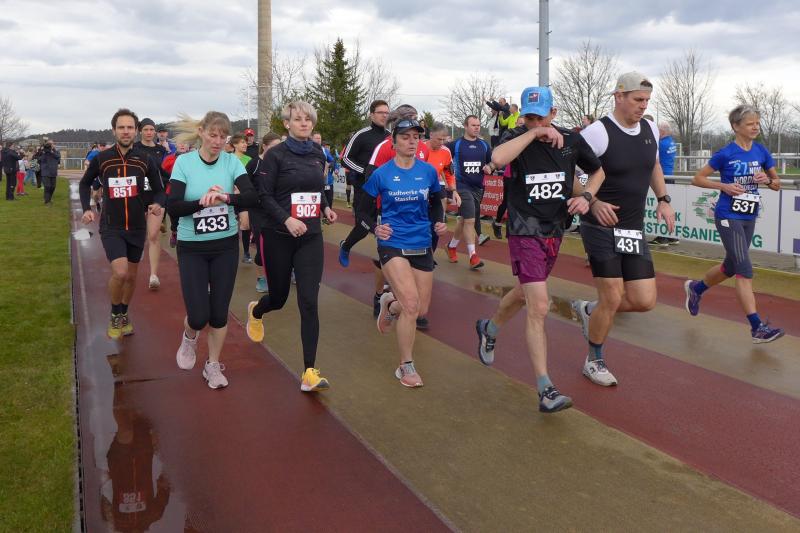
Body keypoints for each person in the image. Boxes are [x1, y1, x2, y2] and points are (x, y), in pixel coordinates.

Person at [476, 86, 605, 412]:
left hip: (554, 229)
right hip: (524, 229)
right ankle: (546, 389)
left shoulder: (571, 141)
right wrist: (534, 134)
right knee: (540, 305)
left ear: (553, 113)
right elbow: (497, 159)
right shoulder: (517, 137)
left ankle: (489, 328)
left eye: (540, 118)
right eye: (529, 117)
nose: (534, 122)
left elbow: (597, 171)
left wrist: (587, 197)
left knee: (524, 292)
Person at [571, 72, 675, 387]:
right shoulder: (597, 132)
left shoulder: (651, 129)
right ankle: (594, 360)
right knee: (613, 296)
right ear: (619, 97)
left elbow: (654, 165)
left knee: (644, 300)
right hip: (599, 226)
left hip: (632, 228)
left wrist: (663, 199)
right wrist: (593, 201)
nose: (643, 106)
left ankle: (590, 310)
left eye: (647, 101)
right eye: (637, 100)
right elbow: (570, 174)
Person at [245, 101, 338, 393]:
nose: (304, 123)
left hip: (310, 237)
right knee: (279, 298)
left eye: (308, 119)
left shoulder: (318, 153)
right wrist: (286, 220)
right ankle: (257, 311)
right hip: (278, 236)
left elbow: (317, 188)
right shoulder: (275, 155)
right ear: (287, 124)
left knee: (309, 301)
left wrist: (325, 208)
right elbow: (264, 196)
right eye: (298, 119)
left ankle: (309, 372)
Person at [168, 111, 258, 389]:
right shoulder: (184, 163)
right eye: (213, 135)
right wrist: (203, 202)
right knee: (198, 316)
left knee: (219, 313)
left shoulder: (232, 162)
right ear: (201, 132)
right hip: (192, 247)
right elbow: (174, 207)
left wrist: (226, 198)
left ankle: (213, 365)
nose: (218, 141)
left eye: (223, 136)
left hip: (225, 246)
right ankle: (189, 336)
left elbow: (252, 196)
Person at [360, 118, 447, 387]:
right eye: (405, 137)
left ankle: (390, 304)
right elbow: (361, 210)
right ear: (394, 142)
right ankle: (405, 366)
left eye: (415, 137)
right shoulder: (381, 174)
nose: (412, 142)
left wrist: (438, 221)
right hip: (392, 242)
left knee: (420, 309)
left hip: (421, 241)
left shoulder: (428, 172)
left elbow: (435, 203)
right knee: (410, 303)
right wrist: (375, 227)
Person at [685, 104, 783, 344]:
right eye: (750, 124)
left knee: (730, 266)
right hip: (728, 215)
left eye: (757, 123)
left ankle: (696, 289)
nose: (755, 127)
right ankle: (757, 327)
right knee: (744, 269)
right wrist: (724, 186)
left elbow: (777, 184)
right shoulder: (726, 153)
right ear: (736, 126)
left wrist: (767, 180)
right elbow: (697, 178)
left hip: (748, 214)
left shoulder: (761, 151)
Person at [79, 108, 165, 339]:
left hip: (137, 227)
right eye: (121, 127)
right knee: (120, 272)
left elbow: (159, 189)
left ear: (136, 131)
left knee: (132, 277)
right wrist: (87, 208)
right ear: (114, 130)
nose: (126, 131)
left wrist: (157, 204)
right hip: (112, 226)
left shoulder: (145, 159)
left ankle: (124, 313)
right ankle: (115, 312)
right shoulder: (103, 158)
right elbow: (85, 183)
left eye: (129, 127)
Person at [445, 115, 494, 270]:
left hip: (478, 188)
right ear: (465, 126)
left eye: (478, 125)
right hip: (461, 186)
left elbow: (492, 162)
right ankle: (473, 256)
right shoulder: (456, 145)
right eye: (473, 125)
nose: (477, 128)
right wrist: (447, 181)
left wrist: (490, 167)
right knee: (470, 220)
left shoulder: (484, 145)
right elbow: (442, 158)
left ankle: (451, 246)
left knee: (464, 220)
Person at [133, 118, 168, 290]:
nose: (149, 132)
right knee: (137, 235)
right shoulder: (134, 148)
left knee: (153, 235)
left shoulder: (161, 150)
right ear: (140, 131)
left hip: (156, 196)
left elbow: (164, 171)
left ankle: (153, 275)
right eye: (146, 129)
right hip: (137, 196)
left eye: (151, 129)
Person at [245, 132, 283, 294]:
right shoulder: (254, 164)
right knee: (262, 248)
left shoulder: (282, 162)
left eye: (279, 146)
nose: (277, 150)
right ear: (265, 146)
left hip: (277, 210)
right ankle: (261, 278)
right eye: (274, 147)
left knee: (281, 244)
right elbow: (244, 187)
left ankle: (287, 271)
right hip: (258, 211)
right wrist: (245, 209)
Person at [231, 134, 254, 263]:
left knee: (245, 224)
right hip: (228, 197)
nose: (245, 144)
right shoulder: (227, 158)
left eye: (245, 142)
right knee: (230, 225)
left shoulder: (249, 159)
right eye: (242, 142)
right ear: (234, 144)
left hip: (243, 197)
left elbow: (251, 180)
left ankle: (246, 253)